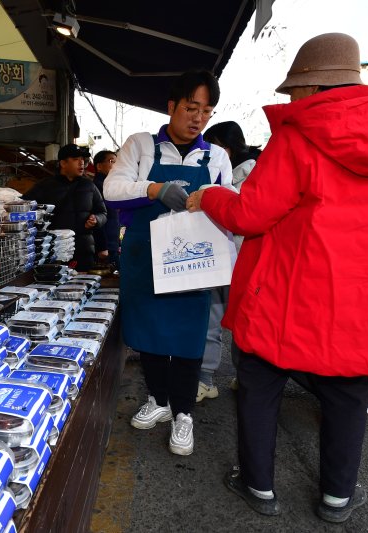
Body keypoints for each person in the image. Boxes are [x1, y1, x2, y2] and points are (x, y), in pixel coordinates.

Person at [186, 33, 368, 522]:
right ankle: (337, 498)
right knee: (349, 396)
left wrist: (208, 196)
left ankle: (258, 486)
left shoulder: (300, 136)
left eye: (294, 90)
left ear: (311, 88)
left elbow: (250, 214)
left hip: (291, 298)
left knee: (260, 383)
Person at [103, 71, 233, 455]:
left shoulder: (217, 157)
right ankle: (158, 401)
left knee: (189, 339)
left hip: (193, 262)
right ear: (172, 107)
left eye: (206, 112)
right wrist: (154, 189)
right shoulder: (140, 146)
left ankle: (184, 414)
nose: (197, 118)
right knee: (150, 336)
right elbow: (112, 189)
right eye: (191, 108)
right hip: (145, 257)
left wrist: (209, 197)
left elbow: (234, 203)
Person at [194, 122, 262, 400]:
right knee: (215, 317)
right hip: (222, 256)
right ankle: (208, 378)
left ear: (226, 147)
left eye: (213, 145)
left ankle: (241, 376)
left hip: (245, 259)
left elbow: (244, 217)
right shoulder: (229, 171)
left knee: (242, 322)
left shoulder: (254, 174)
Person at [22, 144, 107, 271]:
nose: (81, 163)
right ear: (63, 163)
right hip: (54, 253)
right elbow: (23, 207)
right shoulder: (45, 186)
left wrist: (97, 219)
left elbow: (103, 212)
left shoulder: (89, 186)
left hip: (84, 252)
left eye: (82, 160)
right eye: (76, 159)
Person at [91, 150, 119, 267]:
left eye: (117, 162)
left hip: (112, 242)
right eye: (111, 161)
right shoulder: (97, 187)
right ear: (99, 166)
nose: (115, 165)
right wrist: (102, 247)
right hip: (104, 246)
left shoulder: (109, 185)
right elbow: (96, 216)